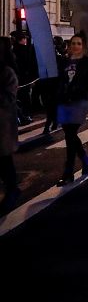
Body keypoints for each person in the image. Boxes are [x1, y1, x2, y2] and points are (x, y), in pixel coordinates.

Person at [55, 33, 88, 186]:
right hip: (64, 100)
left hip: (79, 100)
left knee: (71, 134)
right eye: (73, 43)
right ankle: (85, 158)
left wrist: (82, 89)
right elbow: (59, 80)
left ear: (83, 46)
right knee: (69, 134)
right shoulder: (64, 62)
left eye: (78, 43)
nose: (75, 46)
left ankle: (68, 172)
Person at [0, 37, 19, 216]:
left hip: (3, 124)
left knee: (5, 161)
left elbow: (9, 99)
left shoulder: (7, 73)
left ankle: (13, 190)